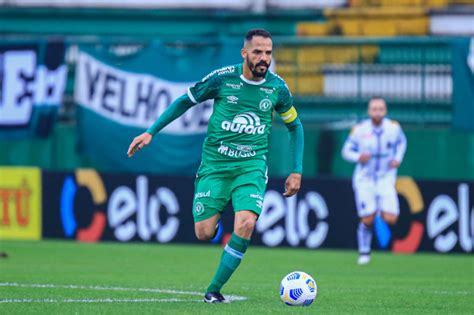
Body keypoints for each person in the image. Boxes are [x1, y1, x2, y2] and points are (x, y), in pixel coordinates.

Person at [127, 29, 304, 302]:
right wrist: (151, 131)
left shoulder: (277, 88)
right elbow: (185, 100)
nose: (264, 58)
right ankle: (218, 210)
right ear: (244, 53)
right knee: (204, 232)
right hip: (215, 166)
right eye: (257, 52)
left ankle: (213, 290)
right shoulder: (222, 79)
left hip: (251, 167)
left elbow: (295, 127)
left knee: (245, 224)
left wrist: (296, 170)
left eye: (268, 53)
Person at [342, 97, 406, 265]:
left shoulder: (393, 128)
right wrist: (358, 157)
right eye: (374, 109)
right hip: (365, 179)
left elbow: (402, 143)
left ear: (385, 111)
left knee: (391, 218)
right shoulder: (360, 130)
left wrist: (398, 158)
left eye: (381, 109)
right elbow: (346, 151)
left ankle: (378, 210)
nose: (377, 112)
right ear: (369, 111)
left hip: (385, 178)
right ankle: (364, 251)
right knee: (367, 219)